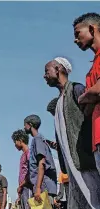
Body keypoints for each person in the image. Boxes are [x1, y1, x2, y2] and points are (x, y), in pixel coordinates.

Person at [44, 57, 100, 209]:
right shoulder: (59, 102)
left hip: (85, 162)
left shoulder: (77, 89)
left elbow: (89, 119)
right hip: (71, 167)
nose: (44, 76)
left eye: (47, 71)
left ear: (58, 69)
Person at [73, 12, 100, 176]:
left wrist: (84, 97)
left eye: (78, 34)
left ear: (92, 28)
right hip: (96, 139)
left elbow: (97, 91)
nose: (75, 40)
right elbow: (87, 109)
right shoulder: (91, 70)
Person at [23, 115, 57, 206]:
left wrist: (38, 188)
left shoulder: (37, 139)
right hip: (44, 186)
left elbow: (42, 163)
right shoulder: (40, 139)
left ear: (30, 125)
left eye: (25, 125)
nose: (24, 127)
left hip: (43, 187)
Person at [11, 129, 31, 209]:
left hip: (28, 187)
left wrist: (21, 185)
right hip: (23, 189)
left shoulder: (29, 153)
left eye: (15, 142)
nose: (15, 145)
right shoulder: (23, 155)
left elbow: (31, 172)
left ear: (20, 140)